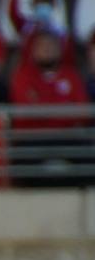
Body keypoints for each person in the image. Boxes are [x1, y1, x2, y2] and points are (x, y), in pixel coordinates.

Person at [8, 27, 90, 183]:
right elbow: (25, 113)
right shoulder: (23, 75)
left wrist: (41, 104)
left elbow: (83, 111)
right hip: (33, 137)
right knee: (23, 165)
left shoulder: (71, 75)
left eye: (51, 46)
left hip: (66, 136)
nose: (47, 50)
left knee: (85, 155)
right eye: (42, 47)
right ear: (34, 51)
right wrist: (64, 108)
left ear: (59, 50)